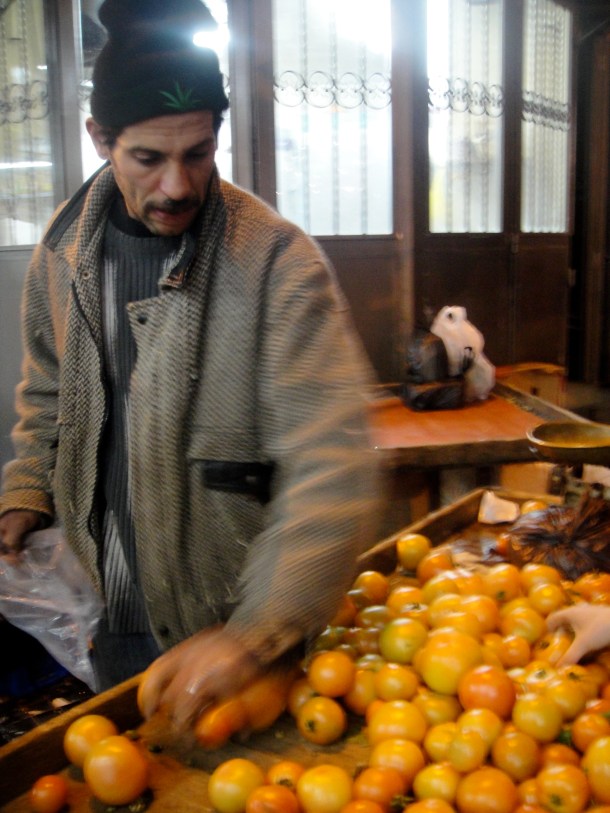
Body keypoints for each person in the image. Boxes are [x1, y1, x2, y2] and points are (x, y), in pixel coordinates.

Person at [0, 0, 382, 730]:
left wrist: (256, 631)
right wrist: (27, 486)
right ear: (101, 138)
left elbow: (332, 462)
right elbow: (46, 387)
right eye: (149, 157)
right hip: (108, 608)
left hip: (230, 626)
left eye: (199, 153)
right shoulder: (62, 251)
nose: (178, 184)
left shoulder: (275, 263)